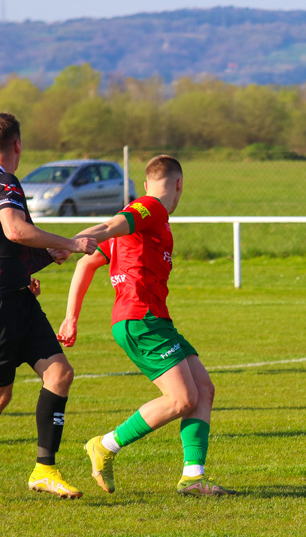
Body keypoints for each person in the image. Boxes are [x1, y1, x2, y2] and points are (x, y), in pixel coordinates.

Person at [57, 155, 236, 495]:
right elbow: (110, 227)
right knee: (182, 399)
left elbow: (87, 264)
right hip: (141, 319)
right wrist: (69, 242)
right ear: (180, 184)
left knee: (203, 390)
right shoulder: (150, 208)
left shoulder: (146, 222)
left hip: (154, 320)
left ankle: (193, 478)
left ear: (145, 181)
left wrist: (71, 317)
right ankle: (105, 445)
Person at [0, 112, 98, 498]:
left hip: (19, 299)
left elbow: (7, 247)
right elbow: (13, 230)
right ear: (18, 145)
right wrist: (72, 243)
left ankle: (45, 470)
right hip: (5, 308)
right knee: (2, 396)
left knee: (59, 374)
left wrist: (39, 260)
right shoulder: (4, 180)